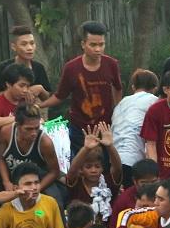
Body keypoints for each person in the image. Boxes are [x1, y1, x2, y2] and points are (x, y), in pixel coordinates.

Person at [41, 21, 122, 154]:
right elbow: (60, 96)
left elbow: (118, 89)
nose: (98, 49)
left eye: (101, 44)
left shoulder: (111, 64)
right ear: (83, 44)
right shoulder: (71, 68)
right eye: (93, 45)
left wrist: (118, 114)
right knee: (80, 168)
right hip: (80, 130)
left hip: (105, 129)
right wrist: (41, 105)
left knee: (106, 168)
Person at [0, 104, 61, 194]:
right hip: (14, 179)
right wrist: (6, 182)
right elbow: (1, 159)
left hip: (39, 180)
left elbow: (54, 172)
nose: (34, 133)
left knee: (55, 203)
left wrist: (37, 188)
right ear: (18, 125)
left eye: (37, 128)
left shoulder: (45, 143)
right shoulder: (6, 133)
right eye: (29, 129)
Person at [111, 70, 160, 175]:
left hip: (114, 158)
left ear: (133, 87)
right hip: (134, 160)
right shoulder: (155, 102)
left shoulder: (121, 103)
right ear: (155, 89)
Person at [0, 25, 51, 104]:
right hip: (6, 113)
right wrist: (14, 91)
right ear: (13, 47)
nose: (29, 48)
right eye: (24, 44)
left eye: (32, 43)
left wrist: (40, 89)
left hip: (31, 113)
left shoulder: (38, 68)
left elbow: (48, 98)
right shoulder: (2, 68)